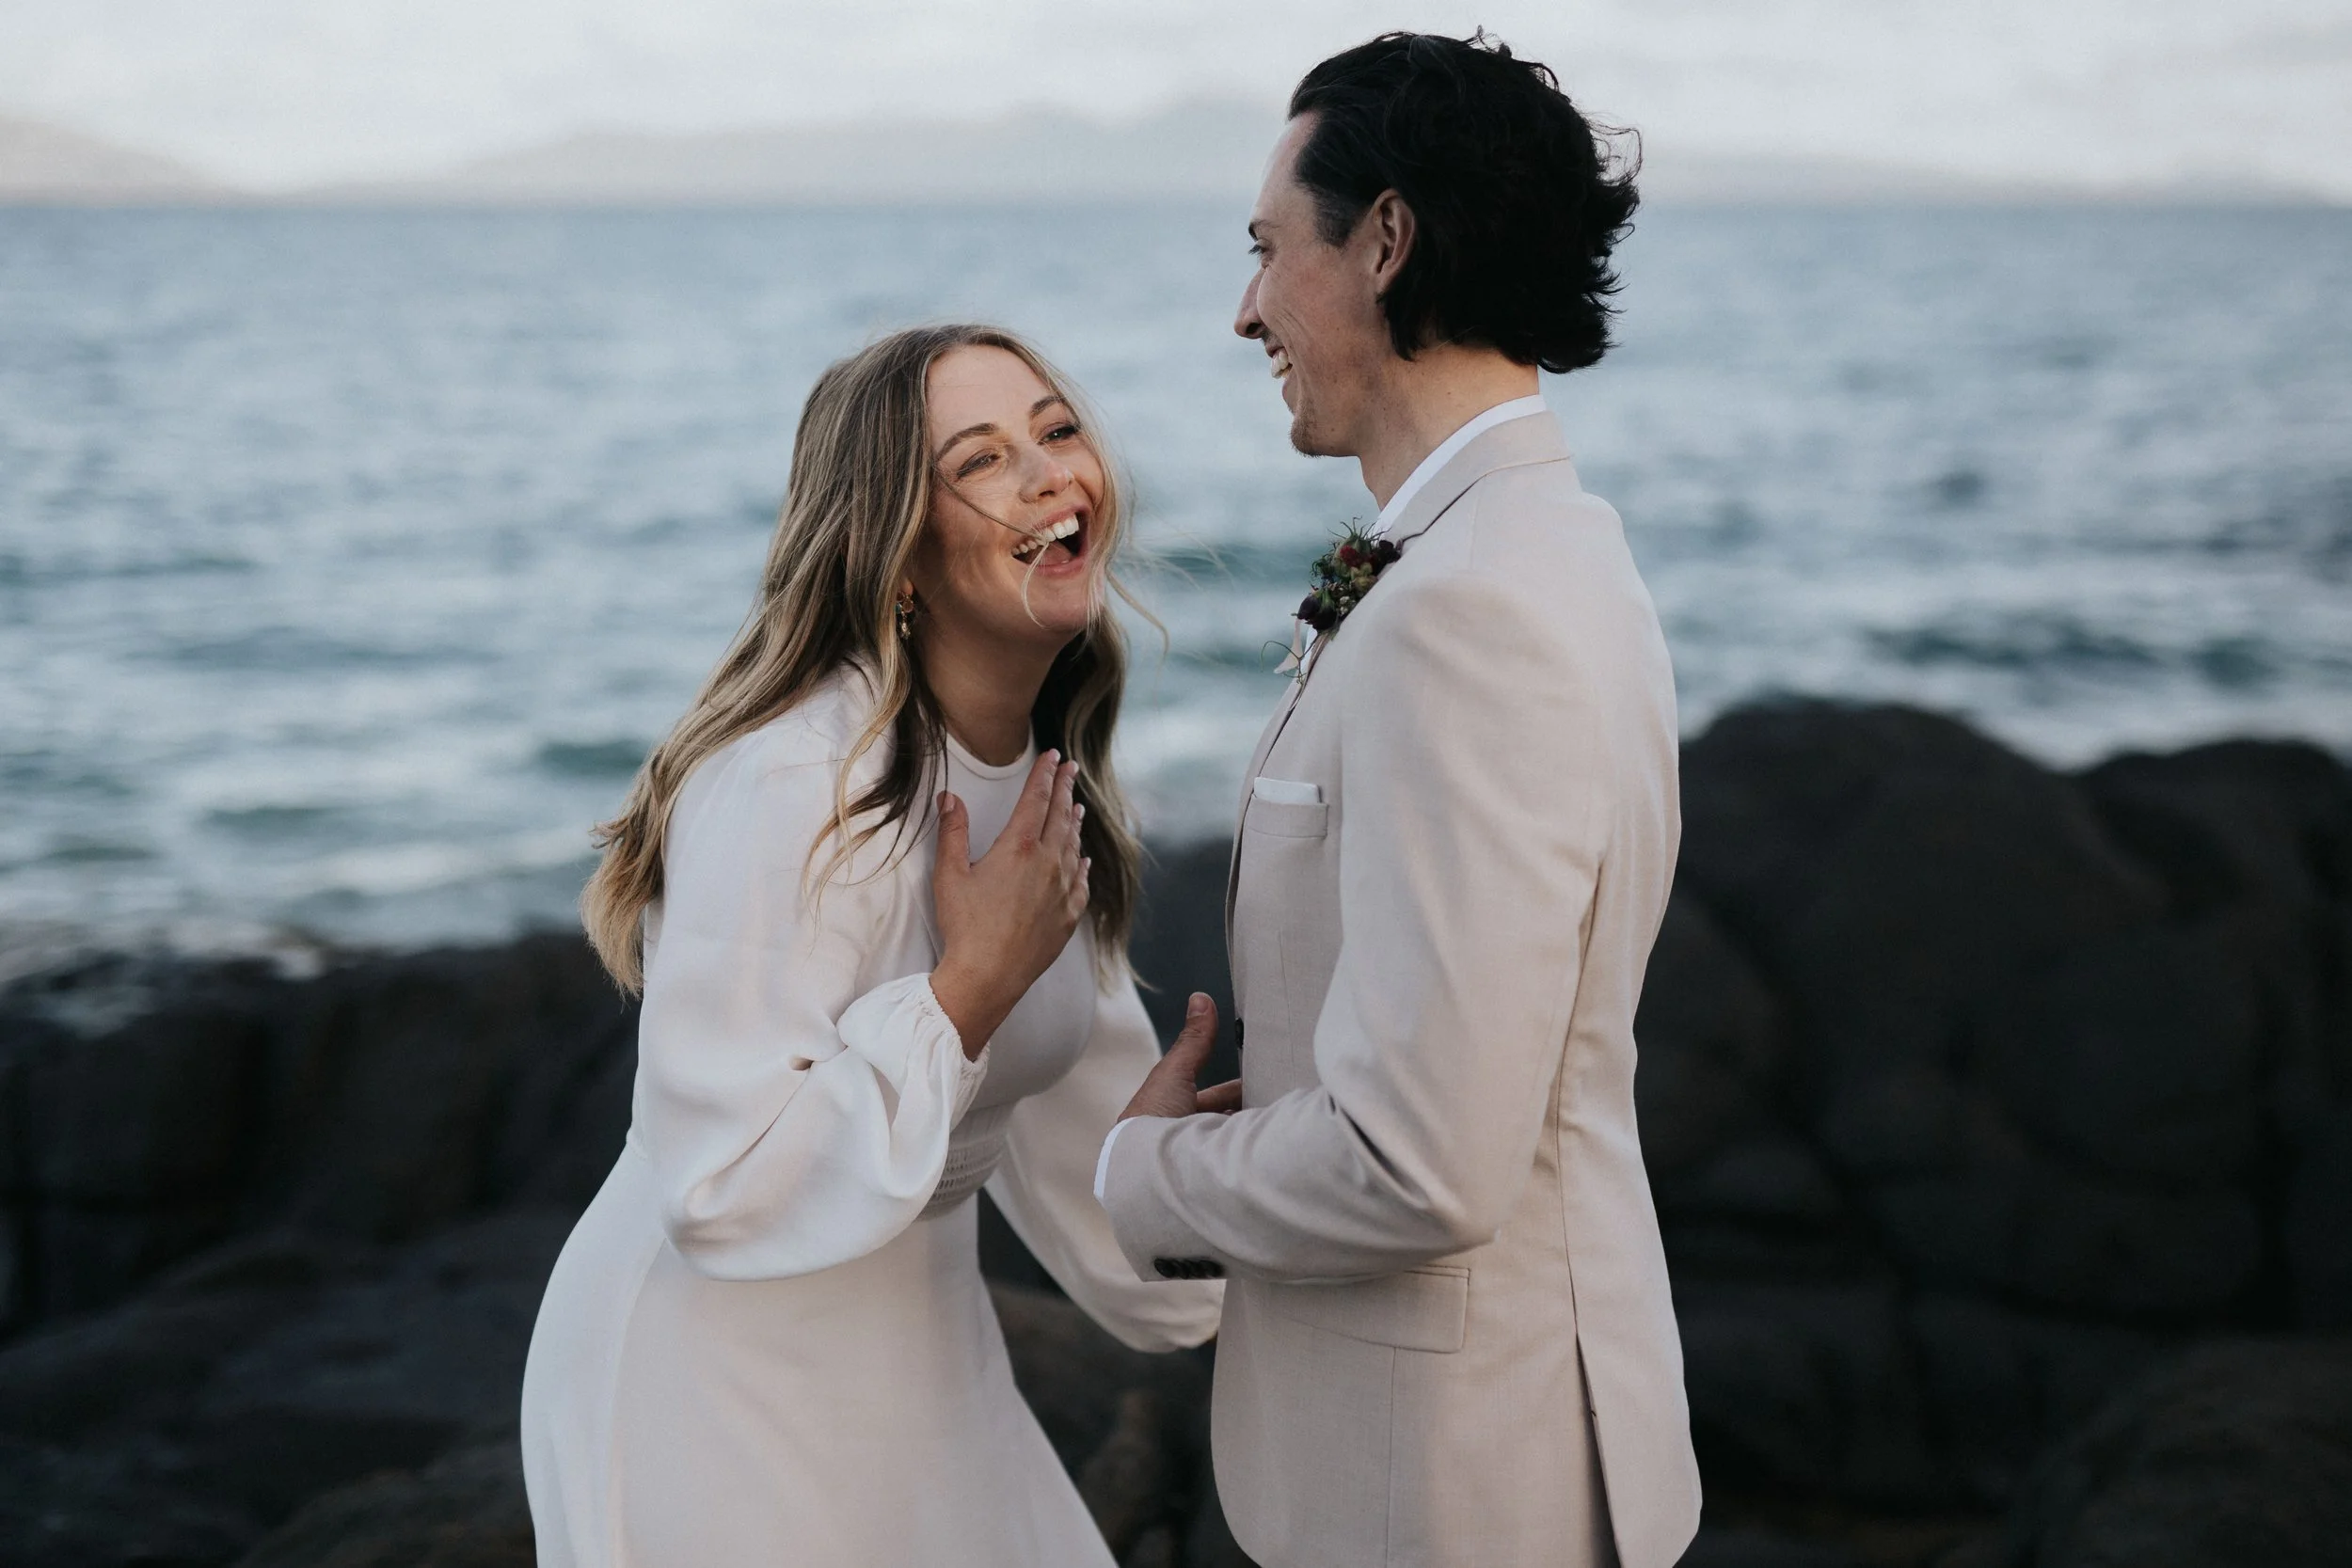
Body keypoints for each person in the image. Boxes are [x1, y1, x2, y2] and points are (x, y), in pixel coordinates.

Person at [1095, 33, 1704, 1568]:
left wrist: (1145, 1174)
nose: (1244, 312)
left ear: (1382, 242)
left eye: (1265, 250)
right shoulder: (1553, 545)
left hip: (1442, 1489)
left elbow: (1416, 1158)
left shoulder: (1463, 609)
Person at [518, 324, 1223, 1566]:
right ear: (898, 552)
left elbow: (1088, 1175)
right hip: (718, 1376)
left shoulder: (1046, 780)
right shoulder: (790, 781)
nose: (1055, 474)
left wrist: (1180, 1177)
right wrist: (962, 994)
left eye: (1058, 432)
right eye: (987, 459)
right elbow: (717, 1186)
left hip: (924, 1354)